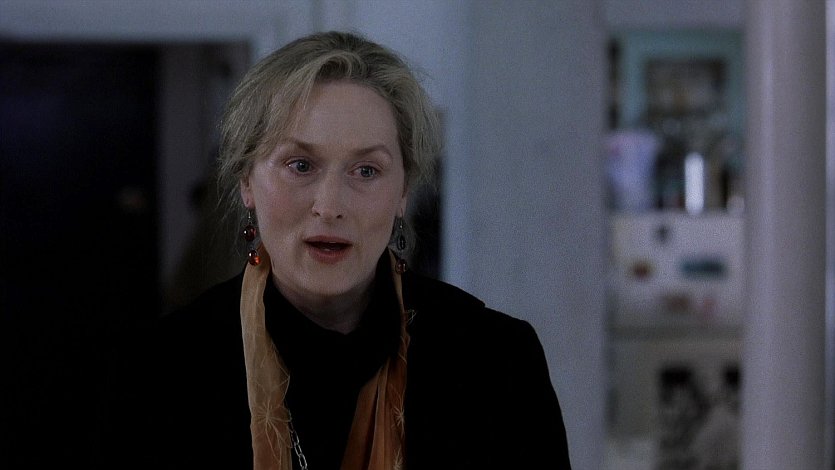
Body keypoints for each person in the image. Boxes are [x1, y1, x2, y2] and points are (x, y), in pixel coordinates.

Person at [106, 31, 571, 469]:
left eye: (366, 171)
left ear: (404, 190)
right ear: (247, 180)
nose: (330, 206)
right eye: (300, 165)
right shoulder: (159, 372)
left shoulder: (496, 361)